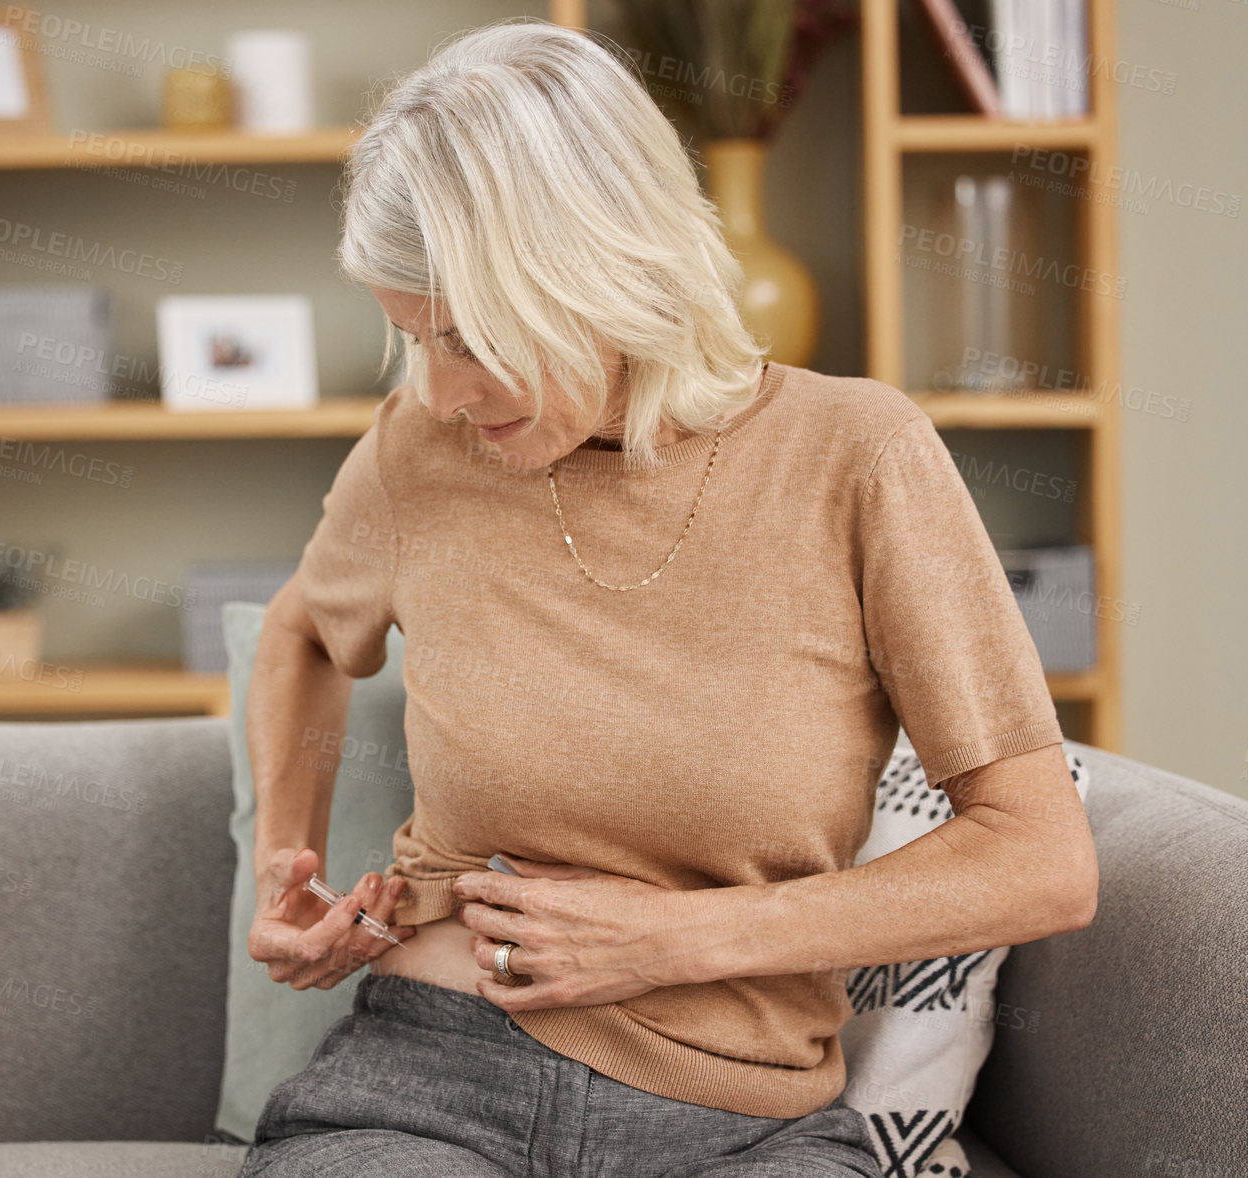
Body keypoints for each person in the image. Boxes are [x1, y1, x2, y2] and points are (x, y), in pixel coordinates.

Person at [237, 17, 1097, 1178]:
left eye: (469, 337)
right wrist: (281, 861)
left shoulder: (857, 456)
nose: (438, 392)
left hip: (746, 1125)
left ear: (600, 268)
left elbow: (1039, 859)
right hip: (425, 1090)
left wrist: (675, 939)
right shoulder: (418, 450)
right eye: (410, 338)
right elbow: (299, 631)